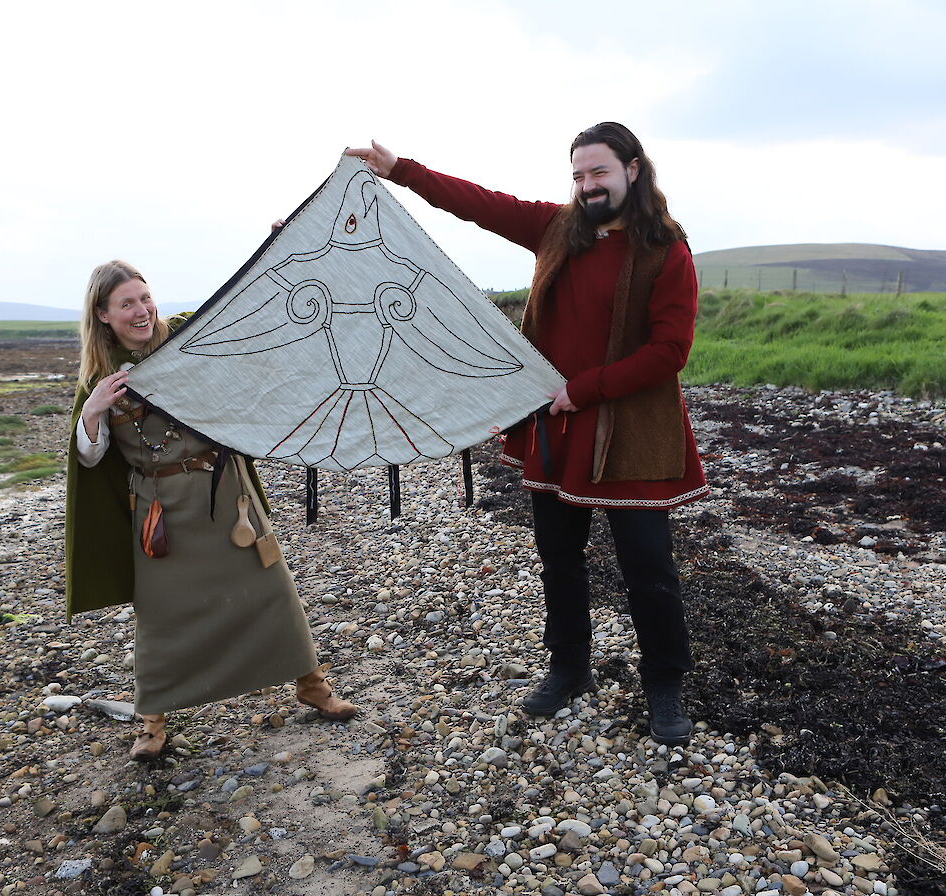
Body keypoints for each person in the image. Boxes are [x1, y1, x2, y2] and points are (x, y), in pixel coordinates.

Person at [348, 124, 706, 745]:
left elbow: (670, 351)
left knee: (648, 567)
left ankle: (664, 683)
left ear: (633, 170)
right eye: (578, 176)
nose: (588, 186)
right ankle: (569, 668)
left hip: (630, 428)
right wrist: (401, 169)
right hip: (557, 426)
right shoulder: (556, 229)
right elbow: (481, 205)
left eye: (599, 172)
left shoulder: (666, 251)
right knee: (558, 557)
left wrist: (585, 389)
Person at [65, 259, 356, 760]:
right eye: (126, 304)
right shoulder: (100, 378)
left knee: (271, 591)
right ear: (103, 314)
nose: (141, 310)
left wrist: (282, 253)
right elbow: (91, 458)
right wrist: (93, 411)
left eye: (144, 297)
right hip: (160, 512)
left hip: (227, 496)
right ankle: (152, 722)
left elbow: (249, 314)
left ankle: (312, 685)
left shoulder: (188, 335)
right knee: (161, 615)